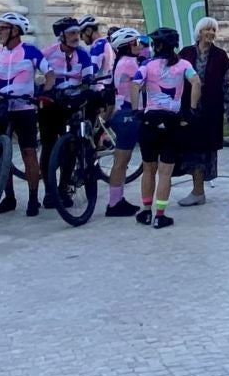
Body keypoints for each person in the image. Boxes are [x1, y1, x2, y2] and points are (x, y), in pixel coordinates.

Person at [0, 12, 47, 216]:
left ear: (15, 31)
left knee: (29, 153)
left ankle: (33, 198)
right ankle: (8, 197)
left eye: (3, 28)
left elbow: (50, 73)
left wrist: (45, 93)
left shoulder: (31, 51)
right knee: (3, 154)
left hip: (24, 109)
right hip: (1, 108)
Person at [136, 27, 198, 228]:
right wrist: (192, 109)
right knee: (165, 172)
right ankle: (160, 215)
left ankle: (146, 211)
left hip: (150, 120)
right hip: (172, 121)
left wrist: (136, 109)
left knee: (148, 169)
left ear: (157, 45)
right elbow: (196, 82)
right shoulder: (184, 64)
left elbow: (135, 84)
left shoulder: (147, 64)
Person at [177, 17, 229, 209]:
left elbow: (226, 83)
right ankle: (197, 190)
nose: (211, 33)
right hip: (188, 108)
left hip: (210, 109)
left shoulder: (221, 56)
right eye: (207, 29)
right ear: (199, 32)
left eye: (213, 30)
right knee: (191, 149)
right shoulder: (186, 53)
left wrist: (227, 108)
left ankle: (198, 192)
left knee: (203, 150)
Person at [41, 17, 97, 175]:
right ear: (61, 36)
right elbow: (31, 66)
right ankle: (48, 185)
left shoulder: (83, 54)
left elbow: (88, 77)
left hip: (73, 101)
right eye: (72, 33)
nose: (76, 37)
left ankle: (65, 186)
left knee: (72, 145)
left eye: (78, 33)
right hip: (53, 100)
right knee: (47, 145)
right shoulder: (48, 52)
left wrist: (88, 82)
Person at [102, 28, 147, 217]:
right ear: (126, 46)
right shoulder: (129, 63)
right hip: (128, 115)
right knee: (121, 161)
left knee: (122, 161)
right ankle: (114, 203)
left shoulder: (123, 61)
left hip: (123, 113)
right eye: (136, 42)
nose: (140, 46)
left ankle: (117, 200)